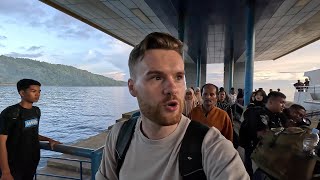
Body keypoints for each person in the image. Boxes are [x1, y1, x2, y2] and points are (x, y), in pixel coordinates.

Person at [96, 32, 248, 180]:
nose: (173, 88)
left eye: (178, 77)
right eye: (157, 77)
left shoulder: (212, 147)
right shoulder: (118, 137)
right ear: (132, 87)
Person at [0, 79, 61, 180]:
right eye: (33, 91)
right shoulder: (10, 113)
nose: (37, 94)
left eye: (39, 91)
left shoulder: (36, 111)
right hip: (13, 165)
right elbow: (1, 142)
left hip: (31, 163)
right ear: (22, 93)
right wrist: (5, 171)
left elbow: (30, 133)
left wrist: (48, 139)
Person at [241, 91, 286, 178]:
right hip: (255, 150)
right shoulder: (258, 113)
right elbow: (263, 134)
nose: (284, 105)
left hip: (267, 151)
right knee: (254, 171)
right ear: (270, 102)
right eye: (281, 102)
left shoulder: (279, 115)